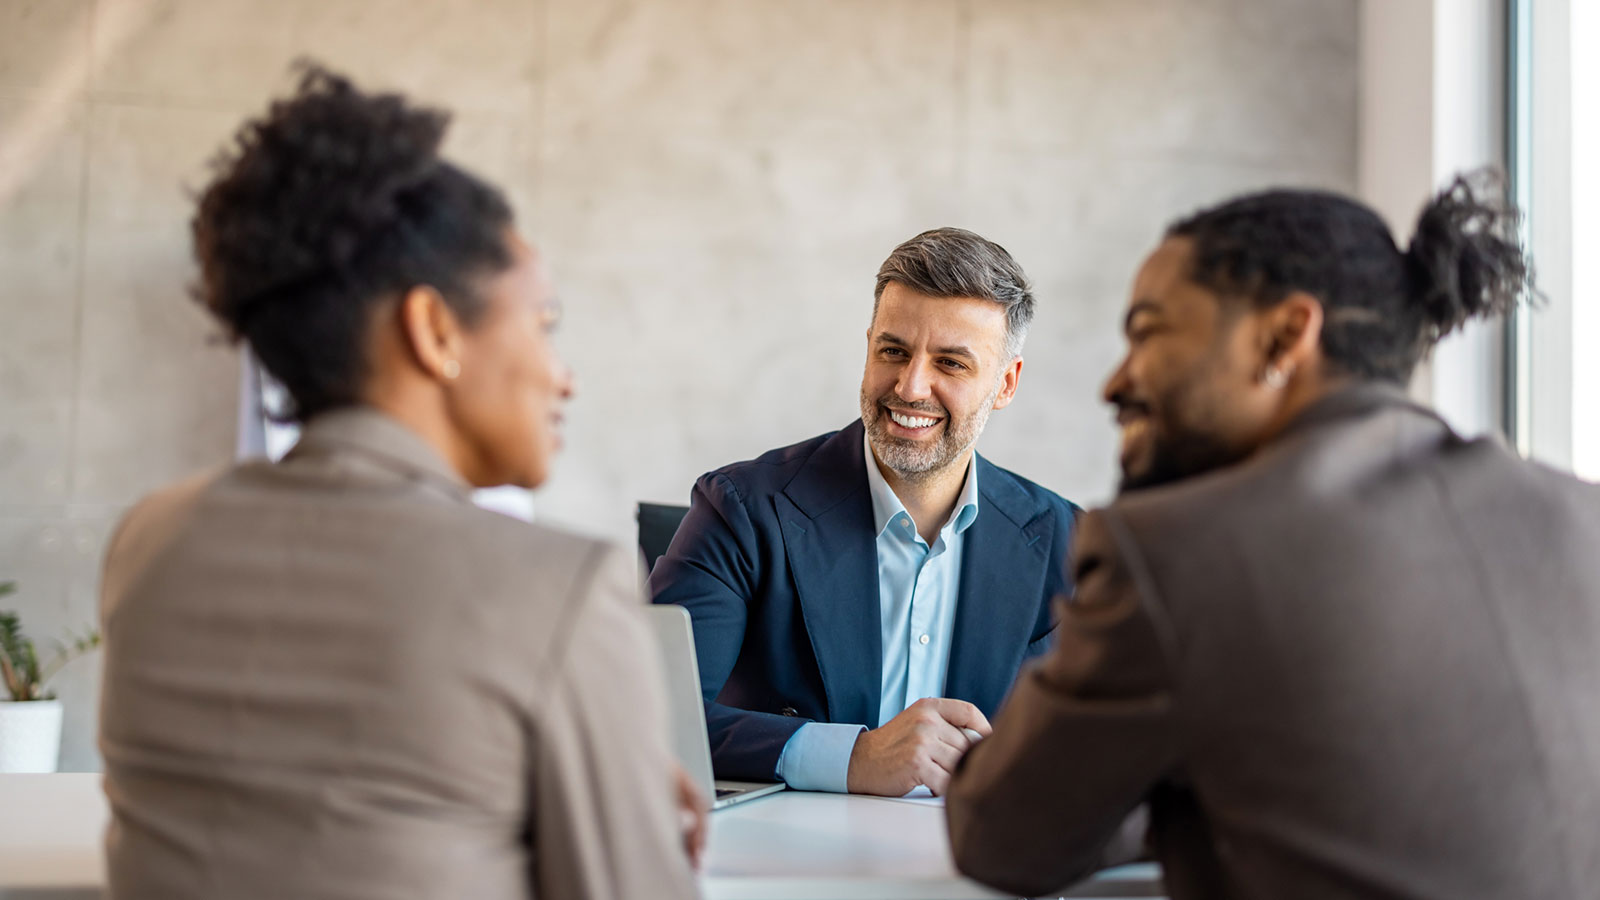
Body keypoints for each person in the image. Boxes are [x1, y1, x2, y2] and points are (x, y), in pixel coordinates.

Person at [97, 65, 702, 900]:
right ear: (434, 330)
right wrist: (640, 828)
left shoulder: (148, 542)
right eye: (543, 323)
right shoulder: (556, 589)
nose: (564, 376)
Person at [945, 175, 1600, 900]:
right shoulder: (1581, 518)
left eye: (1149, 332)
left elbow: (998, 838)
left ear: (1286, 336)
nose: (1115, 382)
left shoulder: (1176, 554)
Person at [650, 228, 1081, 796]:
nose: (911, 385)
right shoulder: (742, 508)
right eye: (894, 351)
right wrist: (851, 757)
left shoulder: (1071, 542)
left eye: (951, 363)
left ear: (1005, 384)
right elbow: (643, 713)